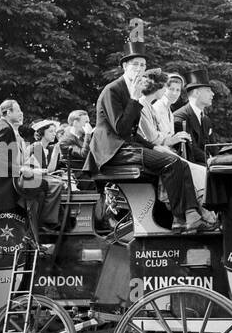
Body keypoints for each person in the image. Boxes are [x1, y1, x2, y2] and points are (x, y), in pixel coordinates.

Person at [86, 40, 203, 232]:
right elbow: (121, 130)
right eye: (135, 64)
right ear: (124, 66)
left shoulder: (134, 91)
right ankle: (182, 217)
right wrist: (134, 99)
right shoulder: (113, 90)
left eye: (143, 65)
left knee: (178, 162)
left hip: (126, 146)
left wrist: (152, 146)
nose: (140, 69)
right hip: (111, 151)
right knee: (171, 163)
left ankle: (188, 216)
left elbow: (132, 133)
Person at [0, 98, 67, 236]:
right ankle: (43, 227)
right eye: (18, 110)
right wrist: (22, 169)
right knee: (49, 186)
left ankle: (40, 228)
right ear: (8, 112)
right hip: (4, 186)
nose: (22, 113)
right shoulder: (5, 128)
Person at [173, 69, 214, 164]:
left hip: (206, 163)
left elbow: (212, 146)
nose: (212, 94)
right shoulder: (180, 117)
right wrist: (211, 160)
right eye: (208, 91)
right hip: (191, 165)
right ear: (196, 93)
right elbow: (191, 150)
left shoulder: (205, 119)